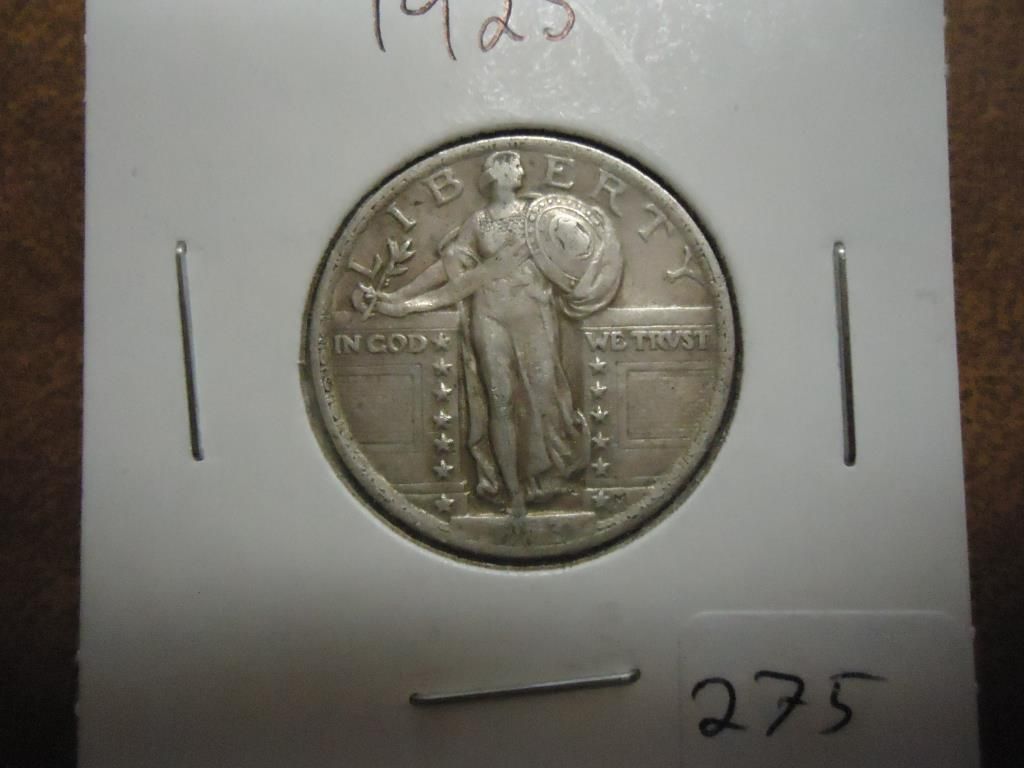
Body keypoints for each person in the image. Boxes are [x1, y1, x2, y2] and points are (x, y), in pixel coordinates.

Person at [361, 151, 622, 517]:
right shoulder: (478, 222)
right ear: (497, 174)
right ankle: (512, 491)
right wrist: (401, 298)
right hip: (489, 317)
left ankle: (546, 478)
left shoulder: (538, 216)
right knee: (499, 402)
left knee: (545, 396)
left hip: (533, 316)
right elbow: (447, 269)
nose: (521, 170)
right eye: (513, 165)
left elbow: (578, 253)